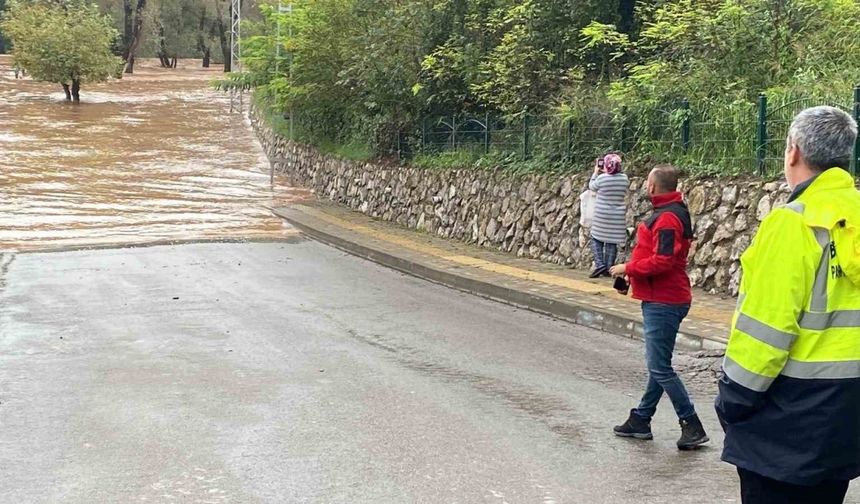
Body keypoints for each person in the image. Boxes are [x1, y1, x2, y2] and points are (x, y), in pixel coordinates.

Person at [715, 106, 860, 504]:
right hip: (846, 420)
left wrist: (732, 400)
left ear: (793, 151)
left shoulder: (793, 223)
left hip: (786, 422)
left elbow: (765, 332)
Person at [609, 165, 709, 450]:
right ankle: (641, 419)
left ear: (653, 187)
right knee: (659, 365)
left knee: (660, 367)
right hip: (663, 296)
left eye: (647, 182)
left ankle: (692, 424)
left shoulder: (666, 218)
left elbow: (663, 261)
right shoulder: (672, 212)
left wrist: (628, 267)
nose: (644, 186)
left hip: (665, 300)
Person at [588, 153, 629, 278]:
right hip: (617, 216)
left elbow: (592, 186)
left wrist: (596, 172)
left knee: (596, 238)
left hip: (602, 215)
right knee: (612, 242)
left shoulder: (602, 178)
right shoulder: (624, 179)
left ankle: (600, 265)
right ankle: (609, 267)